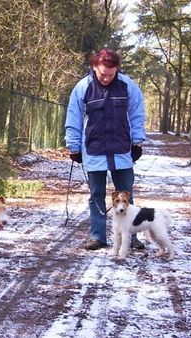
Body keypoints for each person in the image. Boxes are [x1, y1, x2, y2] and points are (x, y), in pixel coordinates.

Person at [65, 48, 146, 250]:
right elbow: (73, 116)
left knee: (127, 195)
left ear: (117, 70)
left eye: (111, 75)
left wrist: (137, 141)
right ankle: (98, 236)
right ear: (94, 67)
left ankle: (132, 236)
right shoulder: (83, 87)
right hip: (94, 149)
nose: (106, 79)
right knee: (96, 195)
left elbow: (137, 113)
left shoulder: (128, 85)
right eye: (102, 74)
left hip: (122, 150)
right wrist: (74, 145)